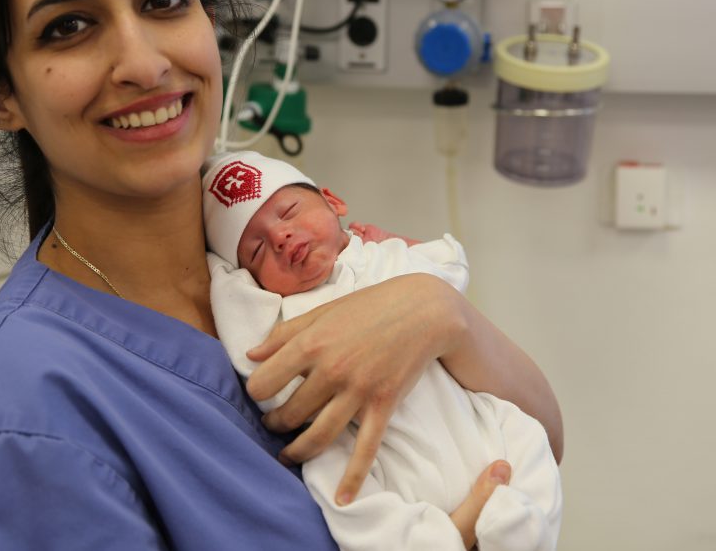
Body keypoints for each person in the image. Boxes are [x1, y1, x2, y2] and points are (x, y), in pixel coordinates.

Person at [0, 0, 564, 550]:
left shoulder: (266, 246)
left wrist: (441, 313)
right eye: (69, 26)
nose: (144, 62)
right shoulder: (26, 416)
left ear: (209, 20)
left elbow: (533, 441)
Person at [203, 151, 563, 551]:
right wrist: (219, 270)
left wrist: (396, 242)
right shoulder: (279, 312)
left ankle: (520, 528)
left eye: (289, 211)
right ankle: (437, 542)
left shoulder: (377, 254)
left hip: (463, 420)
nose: (280, 237)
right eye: (256, 251)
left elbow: (450, 266)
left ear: (334, 202)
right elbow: (242, 330)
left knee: (527, 435)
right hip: (373, 451)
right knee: (337, 486)